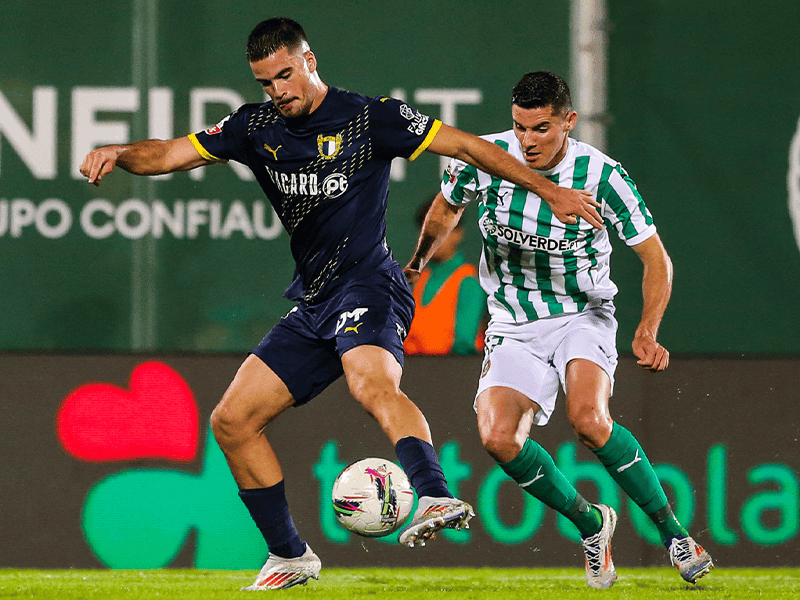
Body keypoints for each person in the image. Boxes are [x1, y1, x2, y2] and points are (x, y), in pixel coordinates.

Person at [79, 18, 603, 591]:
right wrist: (119, 151)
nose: (278, 90)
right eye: (265, 82)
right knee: (231, 422)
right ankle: (290, 556)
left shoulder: (369, 118)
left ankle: (434, 495)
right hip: (314, 302)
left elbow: (467, 146)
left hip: (370, 286)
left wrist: (548, 189)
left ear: (309, 60)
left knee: (370, 384)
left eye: (285, 74)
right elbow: (168, 155)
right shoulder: (254, 127)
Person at [405, 71, 713, 589]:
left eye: (541, 128)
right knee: (498, 438)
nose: (528, 140)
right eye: (520, 127)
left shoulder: (602, 175)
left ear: (569, 121)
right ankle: (591, 524)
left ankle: (675, 535)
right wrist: (418, 261)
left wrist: (647, 329)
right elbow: (447, 206)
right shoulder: (485, 157)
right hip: (512, 320)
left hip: (581, 315)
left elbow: (655, 257)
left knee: (589, 421)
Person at [404, 196, 486, 356]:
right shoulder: (420, 280)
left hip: (452, 369)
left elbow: (464, 345)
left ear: (458, 233)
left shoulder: (468, 281)